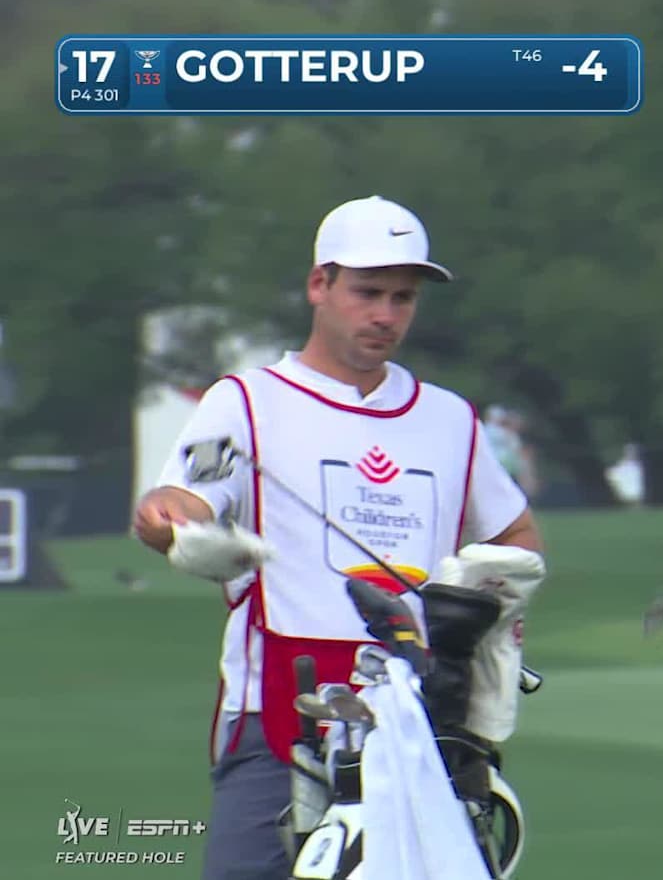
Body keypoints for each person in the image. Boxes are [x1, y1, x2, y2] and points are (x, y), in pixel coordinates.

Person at [129, 194, 545, 880]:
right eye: (368, 292)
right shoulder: (246, 400)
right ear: (319, 284)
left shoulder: (447, 418)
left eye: (402, 298)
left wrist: (489, 588)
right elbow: (177, 500)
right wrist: (174, 526)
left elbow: (514, 534)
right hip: (279, 714)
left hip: (421, 717)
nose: (385, 314)